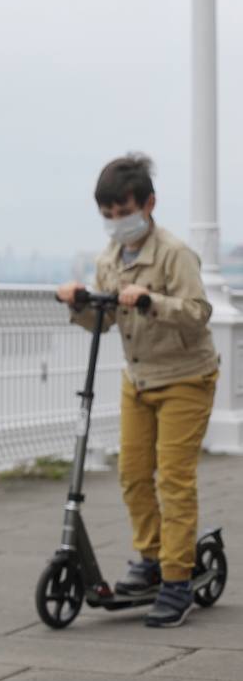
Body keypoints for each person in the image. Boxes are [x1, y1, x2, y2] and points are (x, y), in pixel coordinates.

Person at [56, 153, 219, 627]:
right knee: (131, 474)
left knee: (173, 480)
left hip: (187, 378)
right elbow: (103, 323)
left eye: (123, 213)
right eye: (107, 216)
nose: (116, 224)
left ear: (149, 204)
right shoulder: (110, 259)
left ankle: (176, 578)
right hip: (140, 380)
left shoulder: (174, 253)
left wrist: (151, 300)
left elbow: (197, 311)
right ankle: (151, 558)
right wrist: (79, 303)